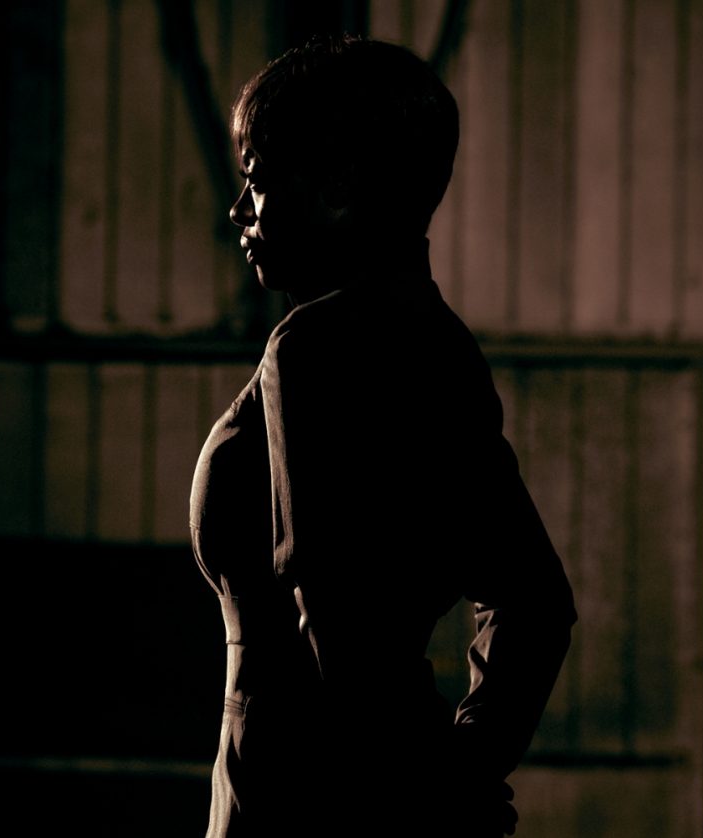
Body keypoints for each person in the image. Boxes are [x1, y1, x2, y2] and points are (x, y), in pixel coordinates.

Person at [189, 34, 577, 837]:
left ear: (336, 188)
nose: (239, 210)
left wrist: (434, 781)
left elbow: (337, 624)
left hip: (296, 801)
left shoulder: (309, 350)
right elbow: (534, 601)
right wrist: (461, 768)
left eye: (258, 180)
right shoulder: (443, 346)